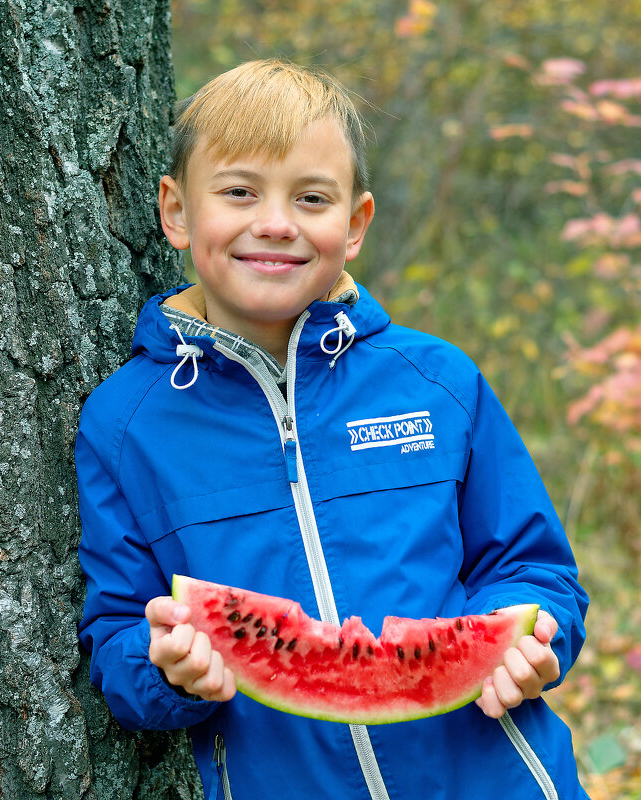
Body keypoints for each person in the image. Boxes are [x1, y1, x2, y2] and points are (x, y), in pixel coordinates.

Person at [76, 58, 590, 799]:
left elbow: (534, 567)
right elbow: (119, 627)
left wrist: (530, 635)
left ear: (354, 225)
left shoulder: (437, 381)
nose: (276, 223)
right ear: (177, 212)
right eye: (238, 192)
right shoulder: (126, 423)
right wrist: (165, 669)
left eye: (311, 198)